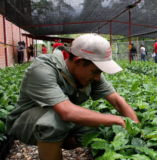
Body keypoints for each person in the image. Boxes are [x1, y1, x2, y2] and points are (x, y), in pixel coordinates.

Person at [6, 34, 140, 160]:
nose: (98, 77)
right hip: (24, 122)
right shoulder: (43, 69)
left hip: (59, 121)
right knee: (55, 120)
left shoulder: (93, 75)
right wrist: (118, 120)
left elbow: (117, 101)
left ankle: (54, 143)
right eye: (95, 71)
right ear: (78, 61)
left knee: (101, 128)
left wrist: (136, 129)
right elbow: (66, 112)